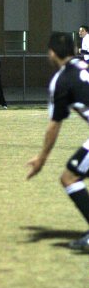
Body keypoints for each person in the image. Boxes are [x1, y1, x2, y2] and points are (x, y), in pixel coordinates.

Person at [26, 32, 89, 252]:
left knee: (69, 177)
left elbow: (54, 126)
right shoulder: (86, 65)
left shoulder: (62, 80)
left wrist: (41, 159)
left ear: (52, 53)